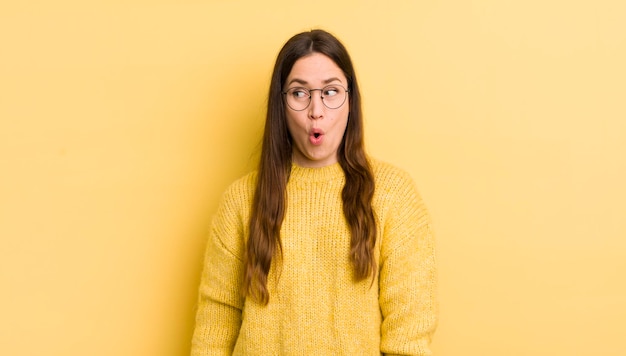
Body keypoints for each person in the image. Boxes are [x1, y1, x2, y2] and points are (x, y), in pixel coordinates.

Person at [191, 29, 437, 355]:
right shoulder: (240, 200)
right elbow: (215, 326)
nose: (316, 110)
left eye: (331, 91)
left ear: (351, 101)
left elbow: (409, 334)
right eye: (299, 93)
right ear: (281, 104)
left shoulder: (394, 196)